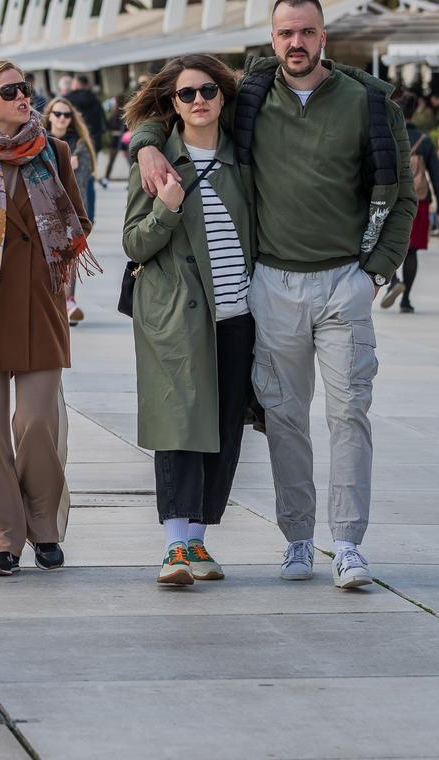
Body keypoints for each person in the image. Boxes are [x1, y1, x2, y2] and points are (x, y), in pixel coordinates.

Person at [130, 0, 416, 590]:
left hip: (345, 281)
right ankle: (297, 542)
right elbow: (182, 101)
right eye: (285, 33)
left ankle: (348, 545)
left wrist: (375, 273)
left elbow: (403, 195)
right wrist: (148, 142)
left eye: (306, 32)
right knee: (284, 419)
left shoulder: (366, 101)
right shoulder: (252, 98)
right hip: (274, 286)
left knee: (349, 414)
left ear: (323, 38)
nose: (296, 43)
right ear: (272, 39)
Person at [0, 61, 95, 576]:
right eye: (10, 90)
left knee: (37, 422)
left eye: (26, 88)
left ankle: (45, 527)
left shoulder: (53, 153)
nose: (23, 97)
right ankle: (1, 539)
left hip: (40, 304)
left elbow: (78, 222)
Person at [123, 55, 254, 586]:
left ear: (223, 96)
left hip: (237, 314)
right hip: (175, 315)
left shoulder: (243, 158)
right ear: (171, 103)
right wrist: (167, 206)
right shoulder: (155, 164)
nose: (198, 100)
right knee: (179, 425)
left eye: (207, 91)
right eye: (185, 94)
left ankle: (198, 542)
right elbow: (134, 242)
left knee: (222, 428)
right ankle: (176, 544)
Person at [381, 96, 439, 314]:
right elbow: (436, 176)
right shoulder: (424, 140)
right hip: (418, 200)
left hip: (389, 197)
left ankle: (392, 282)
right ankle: (406, 300)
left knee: (384, 245)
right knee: (411, 250)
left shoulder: (387, 135)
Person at [43, 96, 96, 324]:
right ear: (50, 116)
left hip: (72, 211)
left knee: (70, 257)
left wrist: (72, 168)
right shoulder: (40, 142)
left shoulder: (80, 146)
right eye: (57, 114)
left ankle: (69, 300)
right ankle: (55, 302)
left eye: (66, 115)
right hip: (44, 209)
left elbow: (81, 183)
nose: (62, 119)